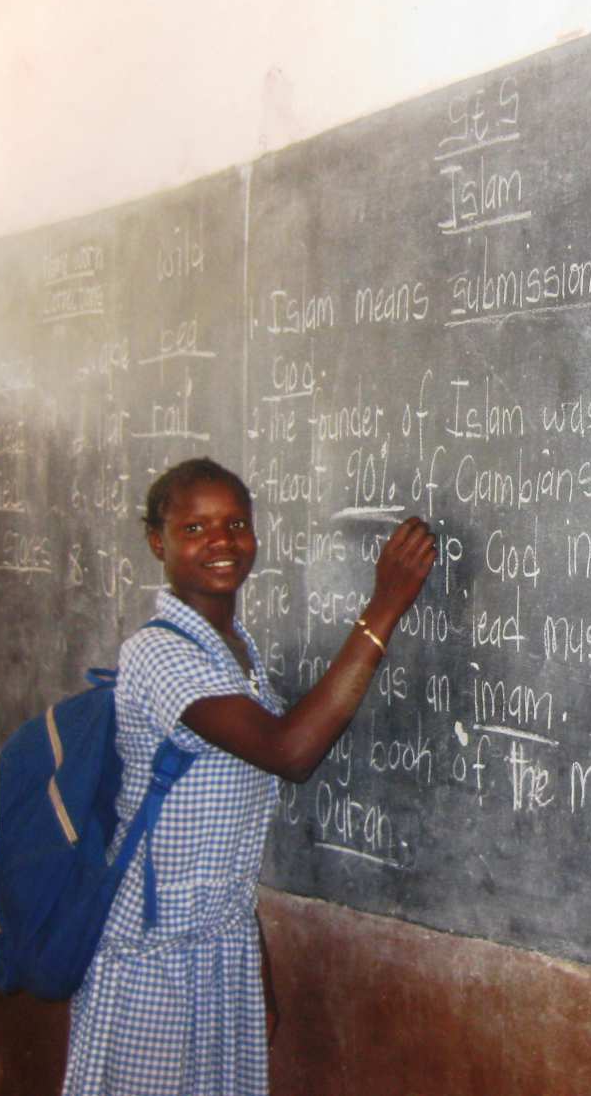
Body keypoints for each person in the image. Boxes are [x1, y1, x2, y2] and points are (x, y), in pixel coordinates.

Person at [61, 457, 436, 1096]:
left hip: (220, 952)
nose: (221, 543)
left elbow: (225, 843)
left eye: (236, 523)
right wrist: (385, 605)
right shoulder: (157, 653)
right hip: (156, 959)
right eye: (195, 528)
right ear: (158, 541)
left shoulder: (234, 650)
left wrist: (254, 969)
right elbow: (290, 752)